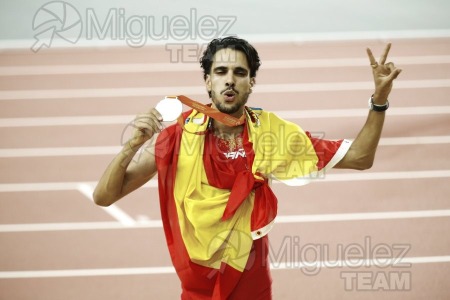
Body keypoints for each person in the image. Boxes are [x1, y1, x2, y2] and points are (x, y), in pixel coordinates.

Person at [93, 36, 402, 299]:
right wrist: (132, 145)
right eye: (221, 71)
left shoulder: (270, 134)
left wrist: (379, 100)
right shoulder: (177, 137)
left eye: (240, 72)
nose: (230, 79)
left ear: (251, 82)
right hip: (198, 281)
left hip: (250, 281)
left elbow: (361, 157)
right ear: (208, 81)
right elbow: (104, 196)